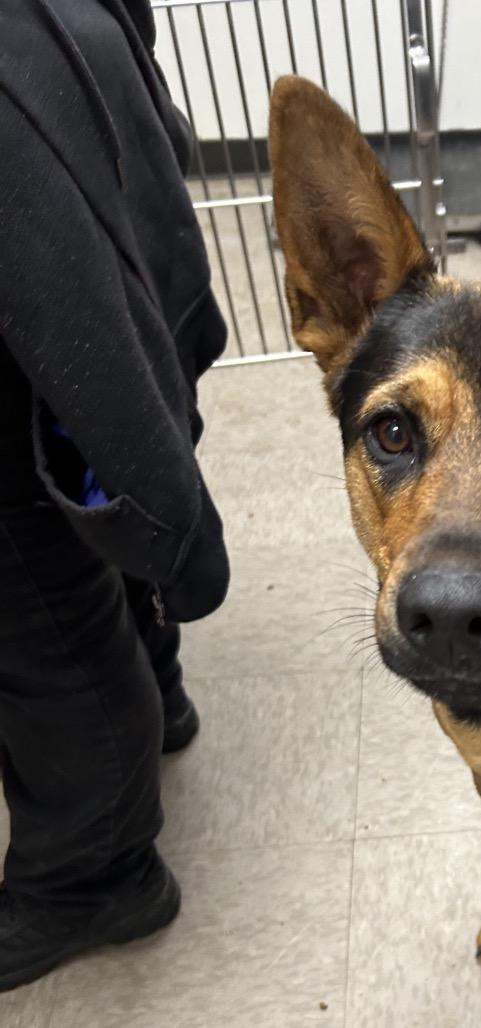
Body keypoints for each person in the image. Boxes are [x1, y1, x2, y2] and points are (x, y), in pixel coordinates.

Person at [0, 0, 229, 989]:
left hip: (45, 203)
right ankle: (158, 680)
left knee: (28, 608)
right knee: (84, 510)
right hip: (84, 125)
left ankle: (94, 875)